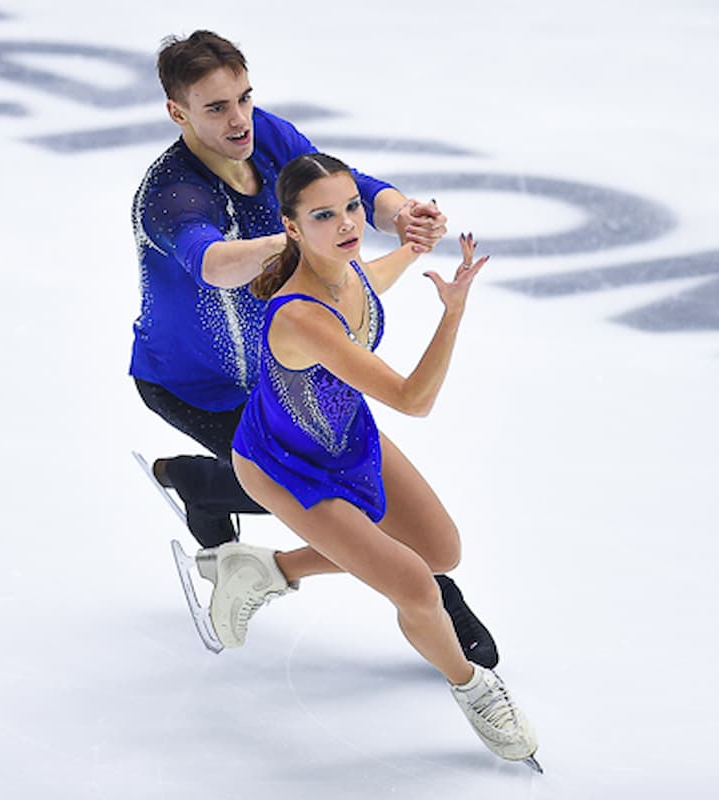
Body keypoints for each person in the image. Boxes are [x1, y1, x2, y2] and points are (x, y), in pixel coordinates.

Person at [130, 31, 499, 667]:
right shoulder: (170, 194)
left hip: (285, 372)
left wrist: (398, 215)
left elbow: (341, 184)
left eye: (244, 98)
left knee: (333, 490)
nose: (238, 118)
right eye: (215, 108)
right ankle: (432, 592)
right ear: (178, 113)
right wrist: (299, 244)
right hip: (200, 384)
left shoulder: (263, 136)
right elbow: (215, 265)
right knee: (325, 497)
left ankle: (208, 492)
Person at [199, 152, 539, 768]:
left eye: (353, 206)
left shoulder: (346, 272)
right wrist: (453, 313)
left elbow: (372, 282)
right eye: (325, 214)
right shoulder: (302, 314)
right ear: (293, 228)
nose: (349, 223)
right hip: (283, 462)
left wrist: (412, 247)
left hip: (346, 439)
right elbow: (413, 399)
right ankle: (472, 687)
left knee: (440, 552)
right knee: (414, 583)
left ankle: (267, 568)